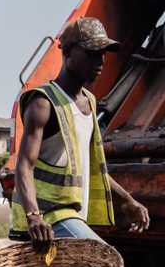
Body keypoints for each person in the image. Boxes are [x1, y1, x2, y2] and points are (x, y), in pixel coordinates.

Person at [10, 17, 149, 249]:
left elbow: (93, 169)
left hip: (73, 216)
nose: (101, 61)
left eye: (104, 53)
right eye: (92, 52)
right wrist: (33, 215)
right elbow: (23, 165)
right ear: (68, 52)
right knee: (105, 262)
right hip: (48, 220)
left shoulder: (90, 103)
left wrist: (128, 200)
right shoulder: (43, 103)